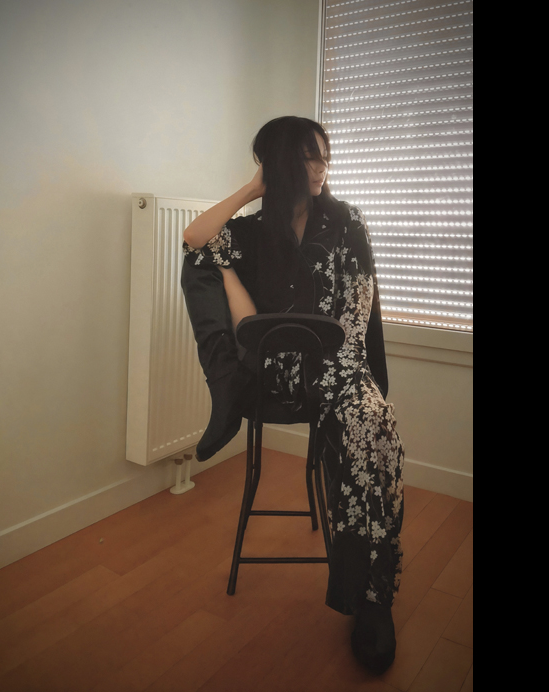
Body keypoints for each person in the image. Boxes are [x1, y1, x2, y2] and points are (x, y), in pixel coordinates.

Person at [179, 116, 405, 674]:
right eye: (310, 156)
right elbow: (194, 237)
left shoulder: (347, 222)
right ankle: (226, 388)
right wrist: (252, 191)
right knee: (200, 260)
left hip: (337, 364)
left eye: (325, 155)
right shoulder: (255, 230)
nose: (323, 167)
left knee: (372, 424)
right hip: (272, 368)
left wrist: (348, 378)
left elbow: (358, 314)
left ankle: (372, 597)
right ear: (281, 164)